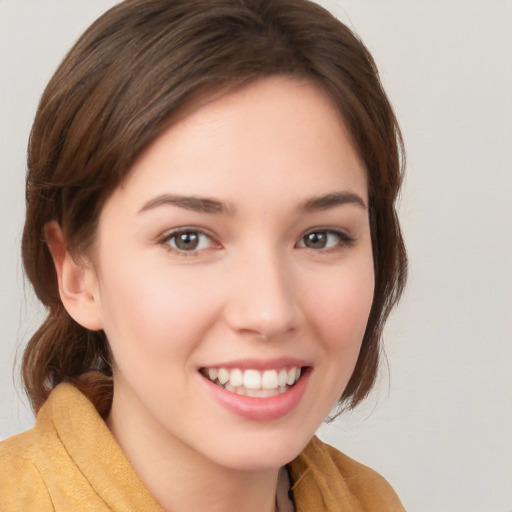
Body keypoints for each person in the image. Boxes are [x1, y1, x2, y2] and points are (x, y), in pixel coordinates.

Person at [0, 0, 407, 510]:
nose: (269, 311)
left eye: (320, 237)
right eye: (187, 238)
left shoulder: (368, 501)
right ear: (77, 274)